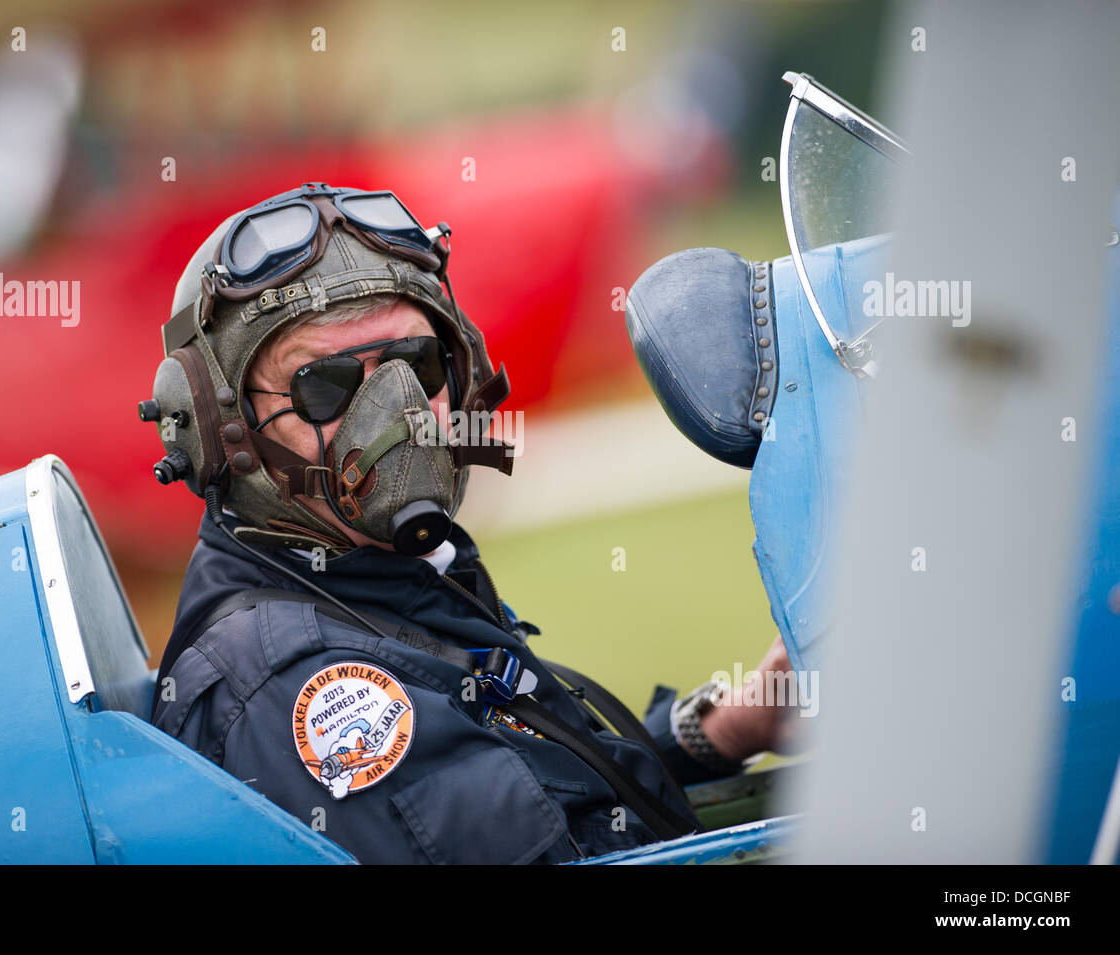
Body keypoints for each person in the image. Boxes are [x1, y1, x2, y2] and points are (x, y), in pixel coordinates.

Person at [143, 182, 797, 863]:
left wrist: (720, 729)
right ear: (222, 431)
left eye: (416, 364)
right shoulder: (310, 692)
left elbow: (537, 801)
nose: (398, 412)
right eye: (326, 384)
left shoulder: (364, 586)